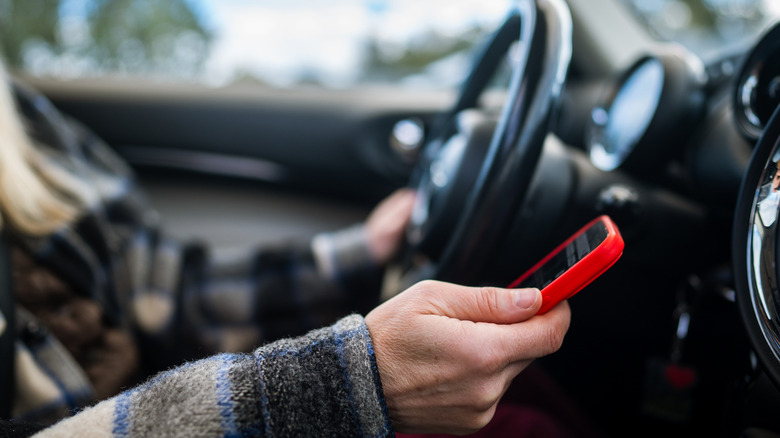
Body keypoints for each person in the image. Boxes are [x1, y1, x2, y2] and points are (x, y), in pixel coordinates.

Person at [0, 62, 571, 437]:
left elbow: (164, 290)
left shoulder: (23, 119)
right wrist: (341, 385)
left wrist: (364, 248)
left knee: (533, 392)